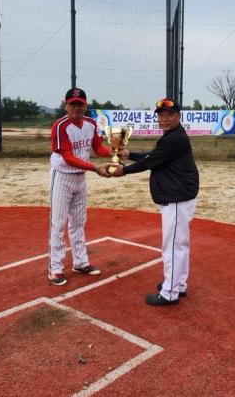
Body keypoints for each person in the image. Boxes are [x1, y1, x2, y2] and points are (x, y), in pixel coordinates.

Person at [111, 98, 199, 306]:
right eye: (161, 115)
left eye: (170, 115)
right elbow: (154, 156)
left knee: (172, 247)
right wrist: (130, 154)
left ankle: (170, 292)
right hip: (178, 197)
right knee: (179, 244)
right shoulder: (173, 136)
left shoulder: (174, 139)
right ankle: (178, 284)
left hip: (176, 199)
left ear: (178, 116)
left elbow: (150, 161)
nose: (165, 119)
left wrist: (124, 170)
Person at [47, 87, 111, 286]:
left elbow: (98, 148)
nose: (76, 108)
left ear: (85, 105)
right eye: (72, 104)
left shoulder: (90, 123)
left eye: (79, 104)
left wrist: (115, 151)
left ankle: (80, 262)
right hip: (62, 176)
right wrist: (94, 168)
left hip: (80, 177)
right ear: (65, 105)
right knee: (58, 224)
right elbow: (68, 157)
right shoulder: (60, 126)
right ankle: (55, 269)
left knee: (78, 222)